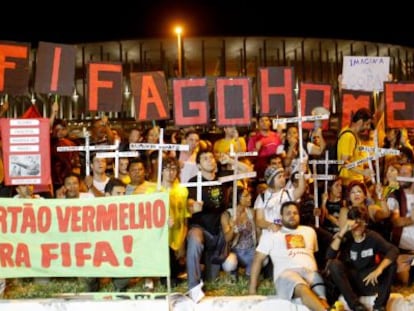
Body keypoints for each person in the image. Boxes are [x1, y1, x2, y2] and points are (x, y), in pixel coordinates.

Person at [186, 149, 251, 301]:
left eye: (211, 157)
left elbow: (248, 171)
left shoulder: (223, 177)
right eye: (205, 159)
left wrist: (230, 160)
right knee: (194, 240)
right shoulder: (194, 181)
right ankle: (193, 287)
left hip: (219, 233)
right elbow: (189, 204)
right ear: (199, 165)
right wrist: (193, 206)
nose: (210, 160)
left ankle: (209, 271)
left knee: (211, 279)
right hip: (201, 229)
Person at [249, 201, 330, 311]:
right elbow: (258, 260)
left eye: (295, 213)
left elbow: (313, 254)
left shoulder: (309, 231)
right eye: (288, 213)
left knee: (322, 301)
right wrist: (252, 290)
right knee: (302, 288)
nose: (292, 216)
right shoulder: (271, 234)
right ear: (281, 216)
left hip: (311, 273)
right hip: (287, 274)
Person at [326, 206, 399, 311]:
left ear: (365, 224)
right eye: (356, 223)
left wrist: (379, 269)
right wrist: (342, 232)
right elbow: (329, 256)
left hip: (370, 279)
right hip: (352, 283)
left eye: (361, 223)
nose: (358, 227)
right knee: (334, 264)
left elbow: (393, 250)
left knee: (391, 264)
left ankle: (379, 306)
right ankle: (356, 306)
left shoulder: (372, 236)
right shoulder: (345, 237)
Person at [219, 187, 257, 280]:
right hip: (235, 252)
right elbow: (227, 239)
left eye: (249, 194)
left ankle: (249, 275)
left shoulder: (251, 212)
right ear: (237, 199)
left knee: (263, 259)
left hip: (250, 250)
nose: (250, 197)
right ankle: (233, 272)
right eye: (246, 196)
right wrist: (232, 227)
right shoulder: (227, 215)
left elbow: (257, 231)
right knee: (229, 264)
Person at [337, 107, 374, 187]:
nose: (368, 128)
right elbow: (344, 162)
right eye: (367, 124)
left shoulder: (353, 136)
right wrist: (362, 172)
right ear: (360, 122)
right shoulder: (348, 136)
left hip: (355, 182)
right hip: (350, 183)